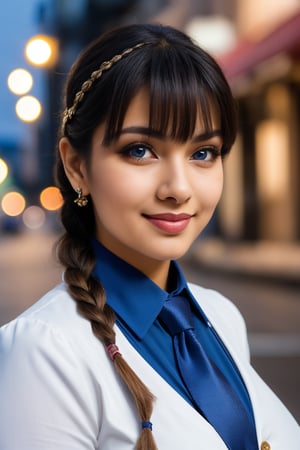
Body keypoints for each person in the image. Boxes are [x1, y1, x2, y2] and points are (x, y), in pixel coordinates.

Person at [0, 23, 299, 450]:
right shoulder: (43, 351)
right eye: (140, 150)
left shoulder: (221, 316)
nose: (178, 187)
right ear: (76, 166)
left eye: (203, 153)